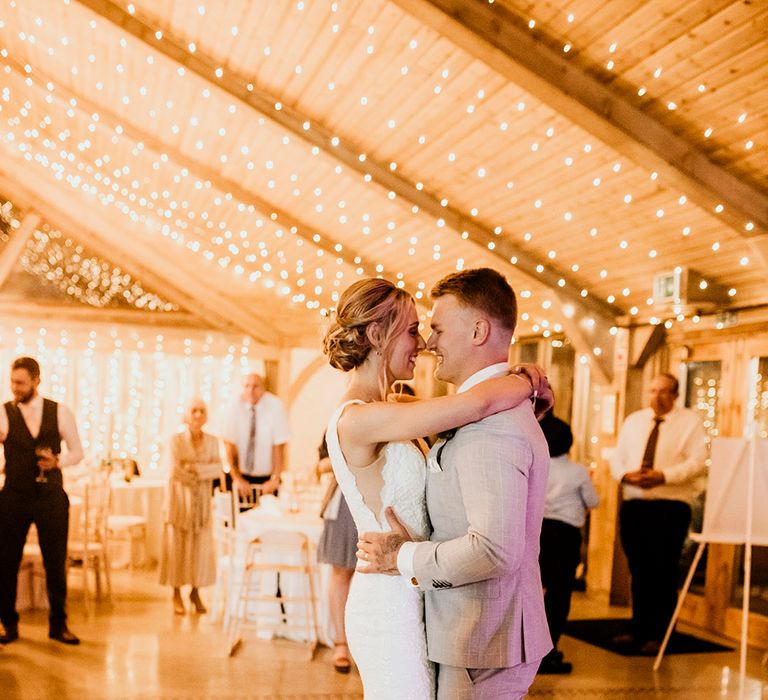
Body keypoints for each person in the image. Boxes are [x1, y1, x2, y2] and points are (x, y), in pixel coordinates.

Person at [325, 271, 552, 700]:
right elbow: (477, 402)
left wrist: (522, 382)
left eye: (428, 329)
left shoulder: (396, 406)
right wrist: (525, 382)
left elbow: (476, 409)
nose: (425, 343)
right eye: (413, 330)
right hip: (390, 596)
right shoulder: (359, 419)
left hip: (418, 588)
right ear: (377, 334)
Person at [610, 372, 707, 654]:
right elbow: (617, 457)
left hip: (670, 506)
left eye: (664, 391)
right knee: (638, 569)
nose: (657, 397)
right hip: (636, 505)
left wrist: (664, 476)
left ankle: (660, 633)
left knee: (662, 571)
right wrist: (626, 476)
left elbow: (698, 462)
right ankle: (638, 627)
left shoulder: (690, 422)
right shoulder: (634, 421)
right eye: (653, 391)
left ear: (675, 395)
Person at [0, 356, 84, 645]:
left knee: (56, 561)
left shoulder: (60, 412)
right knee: (6, 560)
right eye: (12, 381)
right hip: (13, 497)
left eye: (21, 382)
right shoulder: (3, 412)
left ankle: (58, 624)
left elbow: (78, 452)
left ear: (37, 380)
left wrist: (58, 461)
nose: (15, 388)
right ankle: (7, 623)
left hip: (50, 497)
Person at [537, 411, 599, 674]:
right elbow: (593, 502)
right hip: (565, 536)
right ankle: (549, 651)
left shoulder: (537, 465)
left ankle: (531, 650)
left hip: (538, 532)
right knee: (559, 594)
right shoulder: (578, 472)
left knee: (533, 592)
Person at [158, 398, 222, 615]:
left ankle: (195, 592)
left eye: (201, 411)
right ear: (186, 415)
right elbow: (174, 470)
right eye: (193, 410)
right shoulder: (175, 441)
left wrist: (194, 467)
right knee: (176, 548)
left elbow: (218, 469)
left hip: (202, 503)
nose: (197, 415)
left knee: (200, 549)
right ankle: (176, 593)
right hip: (178, 501)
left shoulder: (213, 441)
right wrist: (201, 470)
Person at [315, 433, 357, 674]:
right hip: (344, 501)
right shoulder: (339, 422)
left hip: (382, 495)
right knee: (341, 572)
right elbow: (321, 464)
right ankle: (341, 643)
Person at [221, 373, 289, 499]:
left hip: (267, 478)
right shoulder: (233, 406)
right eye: (247, 386)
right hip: (240, 477)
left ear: (263, 388)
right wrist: (237, 478)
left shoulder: (275, 405)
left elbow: (280, 445)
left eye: (255, 386)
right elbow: (229, 445)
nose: (250, 391)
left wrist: (275, 478)